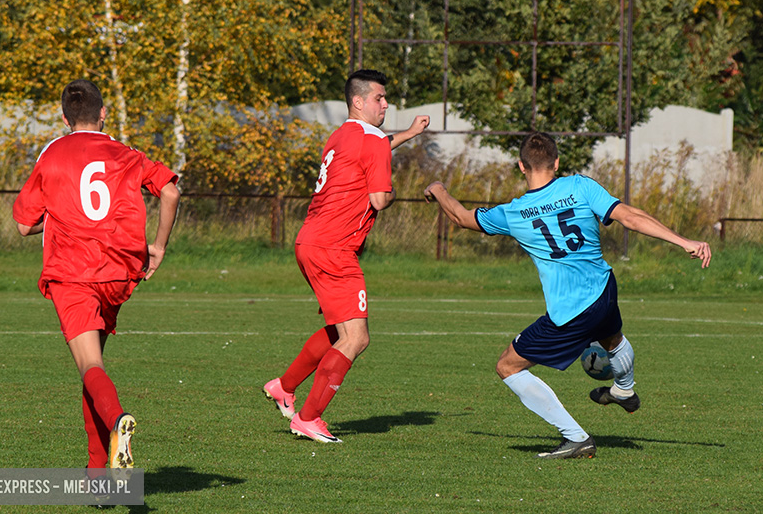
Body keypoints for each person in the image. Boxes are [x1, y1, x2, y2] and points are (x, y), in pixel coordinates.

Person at [423, 131, 711, 459]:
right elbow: (630, 217)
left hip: (571, 310)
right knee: (611, 338)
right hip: (604, 288)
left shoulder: (514, 212)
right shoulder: (580, 186)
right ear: (557, 162)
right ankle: (624, 390)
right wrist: (684, 241)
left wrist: (439, 190)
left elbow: (461, 217)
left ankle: (576, 437)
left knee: (507, 366)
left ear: (521, 166)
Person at [13, 79, 180, 470]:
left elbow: (23, 225)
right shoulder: (125, 153)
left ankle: (118, 420)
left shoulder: (53, 153)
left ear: (64, 117)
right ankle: (96, 473)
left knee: (90, 367)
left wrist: (59, 215)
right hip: (116, 273)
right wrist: (158, 247)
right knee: (93, 368)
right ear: (103, 113)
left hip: (73, 272)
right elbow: (171, 192)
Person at [263, 69, 430, 443]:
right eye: (379, 98)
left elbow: (376, 145)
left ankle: (284, 387)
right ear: (358, 101)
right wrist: (394, 192)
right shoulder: (373, 141)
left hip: (310, 241)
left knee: (339, 329)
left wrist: (408, 134)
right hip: (335, 248)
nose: (386, 104)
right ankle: (308, 418)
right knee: (356, 338)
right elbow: (379, 200)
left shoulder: (341, 135)